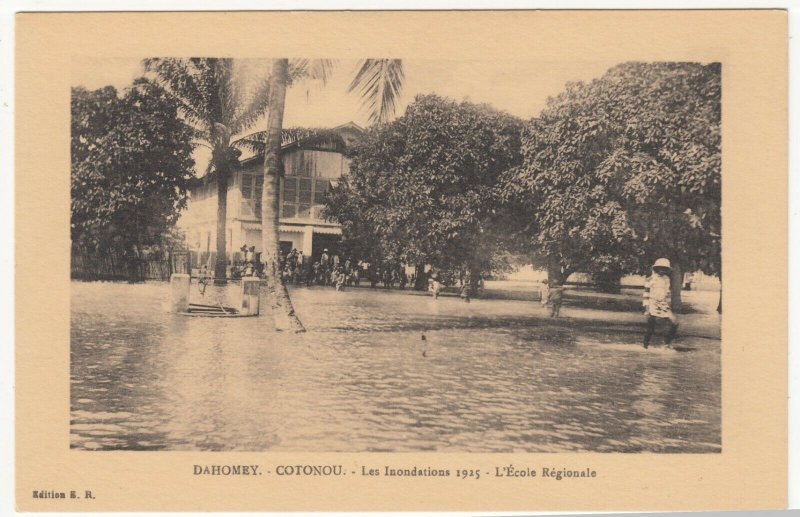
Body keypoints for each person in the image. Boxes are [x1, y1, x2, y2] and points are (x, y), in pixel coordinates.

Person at [642, 258, 679, 349]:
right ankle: (645, 346)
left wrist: (668, 307)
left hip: (663, 304)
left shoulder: (667, 279)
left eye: (665, 268)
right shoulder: (649, 279)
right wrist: (647, 308)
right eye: (660, 268)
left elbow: (668, 294)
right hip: (652, 303)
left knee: (675, 322)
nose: (662, 270)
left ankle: (666, 344)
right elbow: (646, 294)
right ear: (656, 268)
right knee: (651, 325)